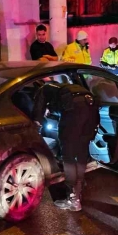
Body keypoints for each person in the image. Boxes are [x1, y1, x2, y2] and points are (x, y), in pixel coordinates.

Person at [32, 82, 100, 211]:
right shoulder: (66, 87)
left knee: (68, 155)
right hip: (92, 108)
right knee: (81, 152)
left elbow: (38, 111)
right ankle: (78, 191)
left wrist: (36, 125)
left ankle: (72, 198)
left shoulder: (44, 89)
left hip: (74, 111)